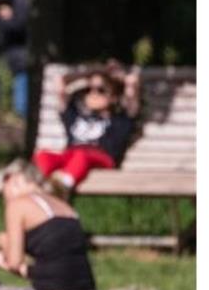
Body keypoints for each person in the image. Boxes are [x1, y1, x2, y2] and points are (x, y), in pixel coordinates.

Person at [0, 159, 97, 290]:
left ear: (14, 180)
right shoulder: (63, 205)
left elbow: (14, 262)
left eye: (4, 187)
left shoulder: (18, 205)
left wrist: (7, 246)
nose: (4, 195)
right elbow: (55, 264)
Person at [33, 62, 140, 195]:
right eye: (89, 89)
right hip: (71, 155)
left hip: (102, 158)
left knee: (81, 155)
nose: (93, 93)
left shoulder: (119, 120)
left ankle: (61, 188)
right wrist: (86, 76)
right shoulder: (74, 115)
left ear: (113, 97)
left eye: (101, 90)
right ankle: (36, 186)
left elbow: (132, 82)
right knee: (43, 155)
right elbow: (59, 82)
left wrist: (113, 76)